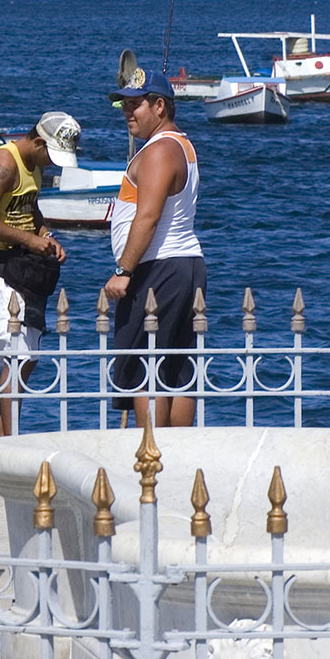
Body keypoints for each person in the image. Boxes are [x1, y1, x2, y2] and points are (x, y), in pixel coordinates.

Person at [102, 69, 204, 429]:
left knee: (149, 370)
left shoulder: (161, 150)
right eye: (124, 105)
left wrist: (123, 272)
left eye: (135, 105)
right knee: (177, 370)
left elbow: (147, 217)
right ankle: (176, 459)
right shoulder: (179, 145)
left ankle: (152, 459)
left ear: (159, 106)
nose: (127, 112)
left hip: (158, 267)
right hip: (181, 264)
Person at [0, 114, 69, 437]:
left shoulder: (33, 165)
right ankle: (9, 438)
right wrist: (29, 240)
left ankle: (1, 438)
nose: (52, 164)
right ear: (39, 143)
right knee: (17, 354)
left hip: (24, 259)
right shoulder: (4, 164)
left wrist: (45, 234)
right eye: (51, 156)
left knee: (28, 355)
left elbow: (30, 207)